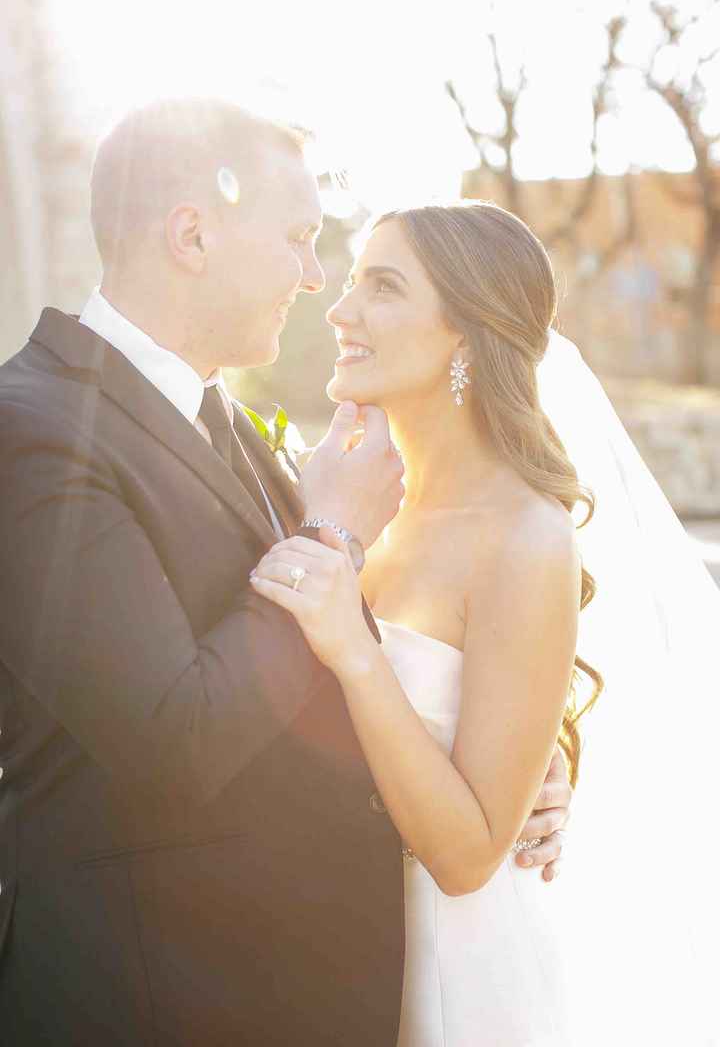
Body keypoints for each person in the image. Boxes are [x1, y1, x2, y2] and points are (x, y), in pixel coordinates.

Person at [0, 101, 569, 1045]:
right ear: (192, 233)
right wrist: (334, 532)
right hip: (150, 1002)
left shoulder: (237, 432)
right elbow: (173, 738)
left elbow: (331, 671)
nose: (317, 283)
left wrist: (503, 763)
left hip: (298, 990)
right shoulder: (34, 431)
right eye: (301, 240)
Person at [248, 201, 604, 1044]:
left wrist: (358, 653)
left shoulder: (525, 536)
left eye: (384, 288)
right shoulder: (341, 496)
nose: (340, 311)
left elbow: (471, 856)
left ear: (464, 337)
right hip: (322, 957)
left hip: (455, 975)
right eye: (352, 281)